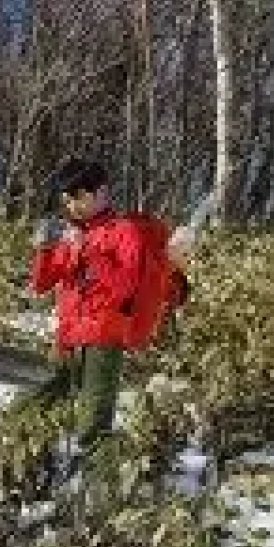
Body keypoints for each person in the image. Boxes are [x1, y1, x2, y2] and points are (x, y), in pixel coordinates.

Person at [24, 158, 189, 462]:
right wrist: (44, 249)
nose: (71, 206)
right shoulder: (73, 233)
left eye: (77, 197)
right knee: (37, 406)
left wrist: (88, 250)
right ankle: (35, 473)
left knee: (93, 423)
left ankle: (91, 489)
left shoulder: (125, 232)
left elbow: (123, 286)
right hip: (67, 336)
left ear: (101, 193)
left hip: (104, 337)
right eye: (66, 199)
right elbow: (41, 284)